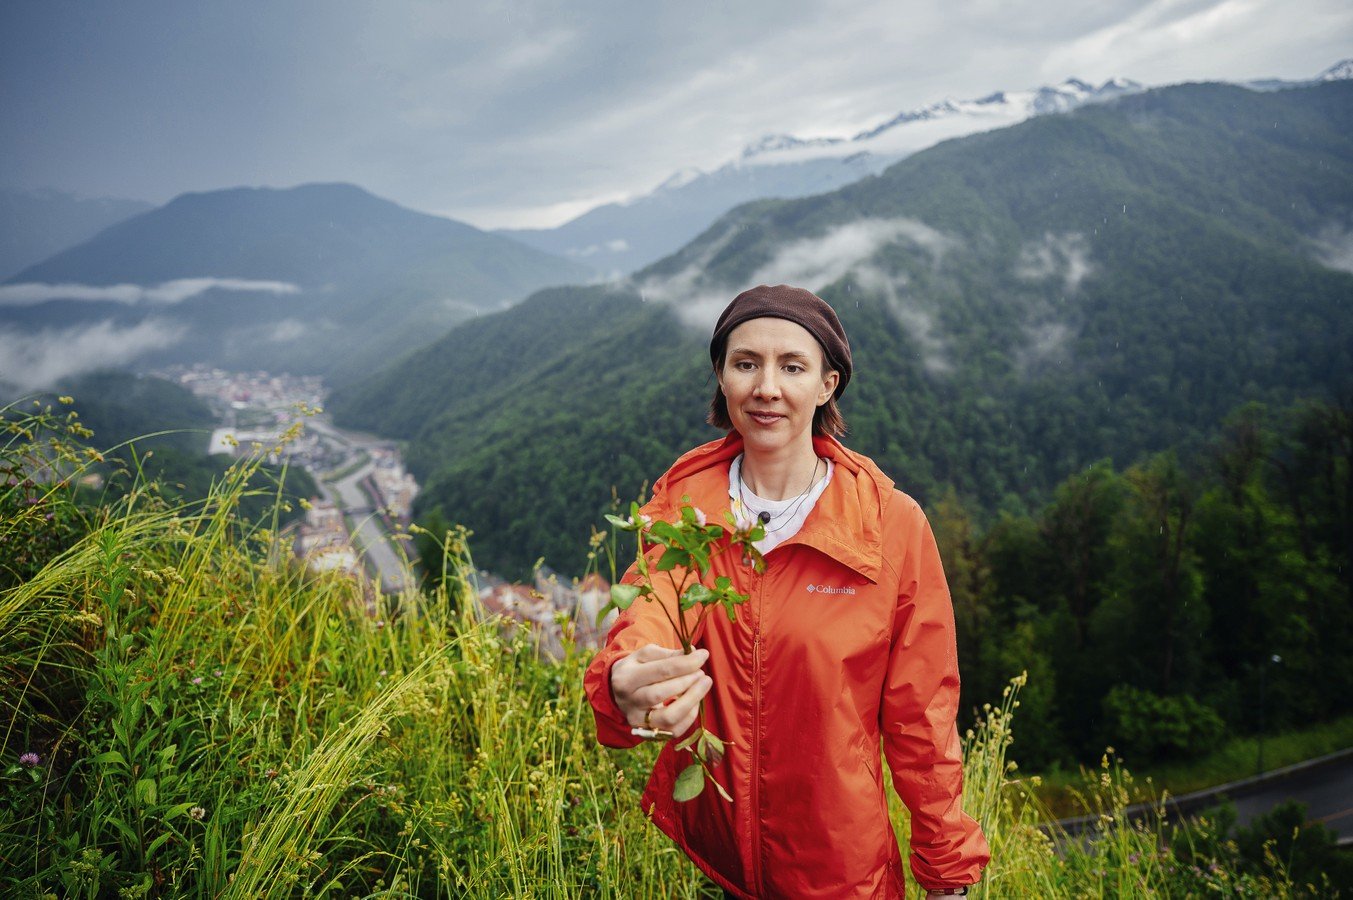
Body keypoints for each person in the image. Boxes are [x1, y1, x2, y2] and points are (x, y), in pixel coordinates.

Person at [583, 284, 989, 898]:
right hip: (719, 860)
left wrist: (947, 872)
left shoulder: (890, 526)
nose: (766, 387)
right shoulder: (685, 507)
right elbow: (649, 613)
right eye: (746, 363)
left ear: (828, 385)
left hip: (842, 871)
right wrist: (623, 678)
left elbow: (922, 714)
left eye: (793, 367)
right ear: (722, 377)